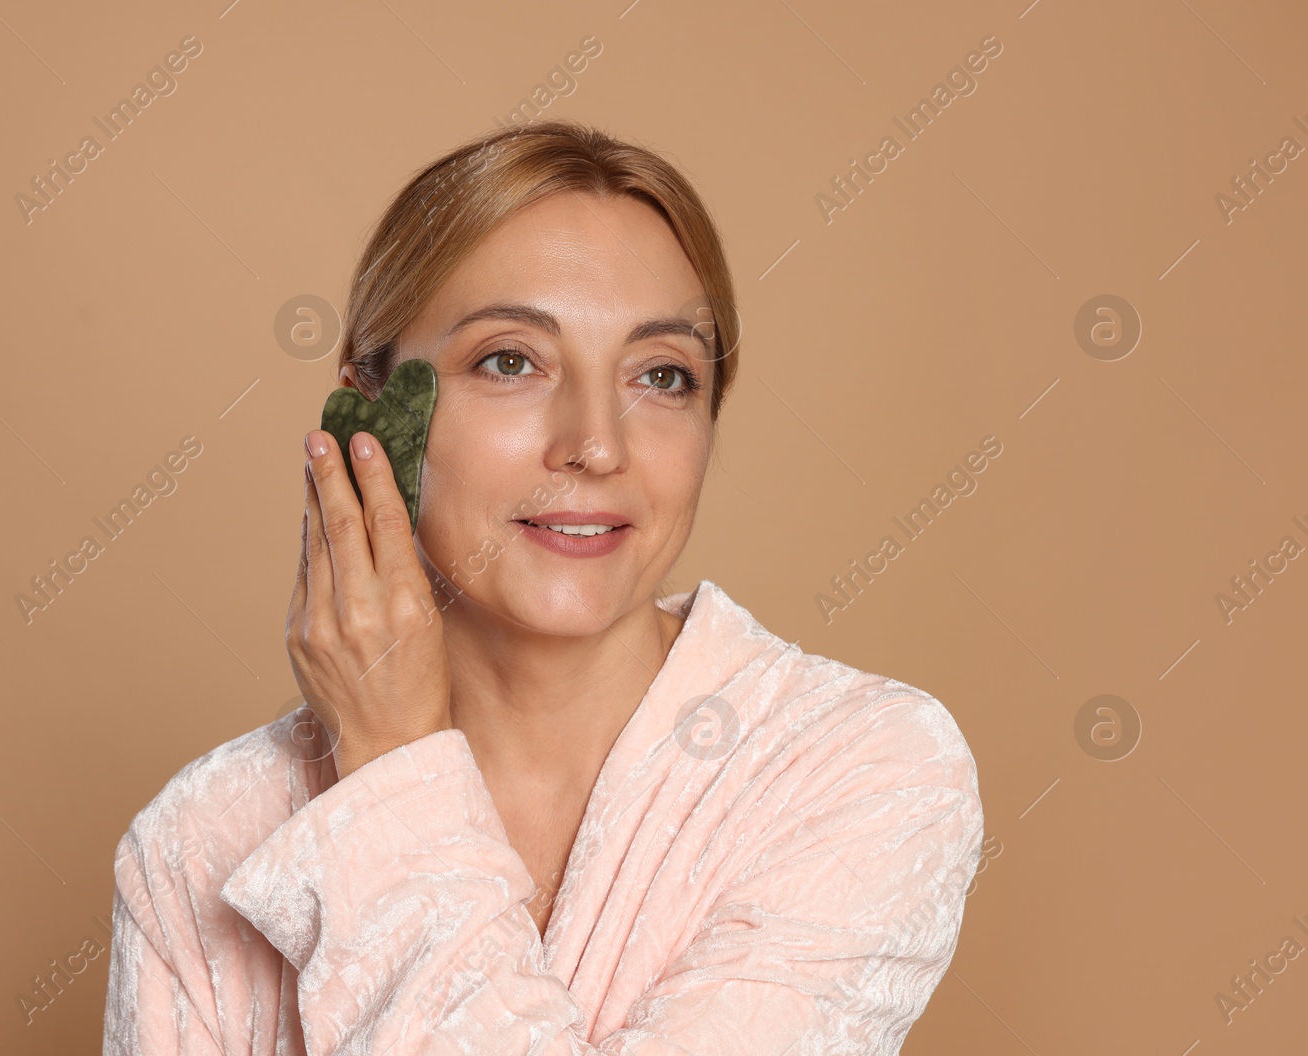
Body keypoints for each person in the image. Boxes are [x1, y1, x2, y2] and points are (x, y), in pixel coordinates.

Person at [103, 119, 983, 1055]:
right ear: (369, 411)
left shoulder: (863, 773)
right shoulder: (199, 845)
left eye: (662, 376)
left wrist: (393, 765)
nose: (597, 445)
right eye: (510, 361)